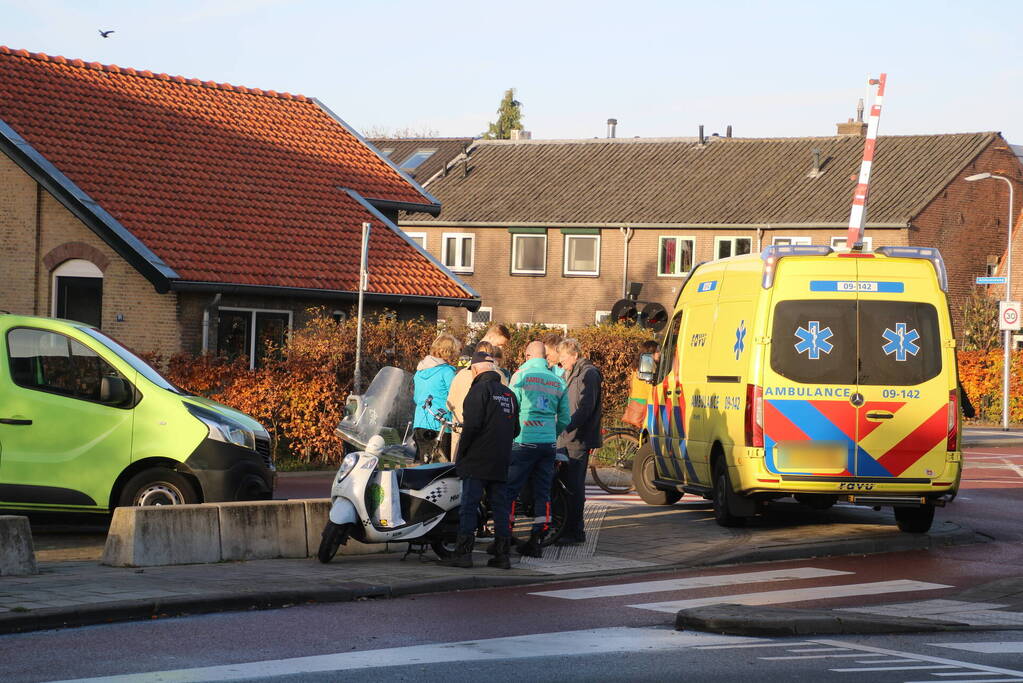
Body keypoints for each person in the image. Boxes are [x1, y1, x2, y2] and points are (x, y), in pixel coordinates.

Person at [443, 351, 520, 569]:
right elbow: (516, 429)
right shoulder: (508, 395)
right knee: (500, 507)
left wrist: (462, 453)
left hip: (477, 460)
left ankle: (463, 554)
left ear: (475, 369)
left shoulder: (477, 391)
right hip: (501, 459)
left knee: (469, 505)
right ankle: (503, 556)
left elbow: (471, 427)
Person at [505, 340, 570, 557]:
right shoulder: (558, 380)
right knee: (543, 493)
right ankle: (536, 540)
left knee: (510, 490)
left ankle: (504, 538)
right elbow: (565, 418)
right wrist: (551, 431)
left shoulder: (521, 375)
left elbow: (510, 409)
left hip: (523, 441)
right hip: (547, 444)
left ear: (527, 355)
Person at [555, 338, 603, 545]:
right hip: (569, 438)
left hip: (577, 439)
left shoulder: (588, 373)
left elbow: (585, 407)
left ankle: (574, 531)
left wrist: (567, 426)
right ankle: (568, 529)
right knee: (567, 485)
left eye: (563, 358)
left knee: (573, 486)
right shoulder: (575, 372)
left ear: (574, 355)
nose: (561, 363)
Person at [447, 341, 501, 458]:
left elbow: (449, 403)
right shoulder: (499, 376)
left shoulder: (460, 375)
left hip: (459, 427)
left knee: (456, 466)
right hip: (487, 433)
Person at [411, 333, 459, 462]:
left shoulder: (419, 371)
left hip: (420, 422)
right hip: (440, 424)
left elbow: (417, 398)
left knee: (424, 462)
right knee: (440, 466)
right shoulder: (447, 372)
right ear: (449, 352)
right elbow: (455, 397)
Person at [622, 340, 659, 429]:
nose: (660, 353)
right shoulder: (647, 366)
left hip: (635, 400)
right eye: (657, 351)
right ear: (651, 352)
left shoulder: (638, 365)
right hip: (643, 402)